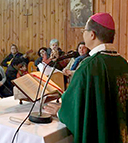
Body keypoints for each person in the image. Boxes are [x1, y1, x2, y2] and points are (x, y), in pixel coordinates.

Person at [49, 13, 128, 143]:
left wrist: (61, 110)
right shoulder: (122, 63)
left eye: (84, 31)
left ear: (92, 34)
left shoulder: (89, 66)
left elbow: (75, 107)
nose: (83, 34)